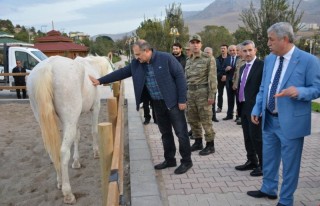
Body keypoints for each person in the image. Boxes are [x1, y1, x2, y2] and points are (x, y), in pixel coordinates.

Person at [89, 40, 193, 174]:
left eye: (138, 54)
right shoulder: (137, 64)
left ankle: (186, 161)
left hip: (173, 103)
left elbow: (180, 77)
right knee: (165, 133)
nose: (136, 57)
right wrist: (100, 80)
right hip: (157, 103)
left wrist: (182, 99)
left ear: (147, 51)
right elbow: (121, 73)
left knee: (181, 133)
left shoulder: (166, 58)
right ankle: (170, 159)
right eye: (135, 54)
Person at [247, 22, 320, 206]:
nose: (268, 43)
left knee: (290, 165)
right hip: (269, 119)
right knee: (269, 158)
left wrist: (299, 92)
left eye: (271, 39)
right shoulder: (270, 59)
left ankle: (286, 200)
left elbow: (317, 88)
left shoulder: (308, 60)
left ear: (284, 39)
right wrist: (257, 108)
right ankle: (268, 189)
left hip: (291, 123)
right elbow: (264, 87)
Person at [235, 40, 264, 177]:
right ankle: (252, 161)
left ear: (255, 50)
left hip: (256, 109)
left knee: (257, 137)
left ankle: (263, 165)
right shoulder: (242, 67)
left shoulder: (262, 66)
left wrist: (259, 109)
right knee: (247, 137)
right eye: (244, 51)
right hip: (244, 107)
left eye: (250, 50)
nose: (247, 53)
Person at [185, 34, 217, 156]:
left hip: (203, 92)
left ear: (201, 44)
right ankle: (198, 142)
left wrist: (211, 95)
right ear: (190, 45)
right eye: (192, 42)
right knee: (192, 119)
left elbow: (212, 78)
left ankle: (210, 145)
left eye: (197, 42)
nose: (195, 45)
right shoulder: (189, 60)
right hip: (191, 93)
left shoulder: (208, 58)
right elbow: (186, 78)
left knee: (206, 119)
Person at [204, 47, 219, 122]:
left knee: (213, 101)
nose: (206, 54)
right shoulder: (202, 61)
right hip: (204, 86)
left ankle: (214, 116)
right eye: (205, 52)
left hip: (213, 85)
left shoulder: (214, 60)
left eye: (208, 52)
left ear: (212, 53)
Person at [233, 44, 246, 125]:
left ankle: (243, 118)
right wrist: (234, 83)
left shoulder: (246, 60)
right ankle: (239, 116)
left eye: (238, 50)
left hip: (244, 86)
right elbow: (235, 73)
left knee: (244, 102)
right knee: (238, 102)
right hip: (238, 85)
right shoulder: (238, 60)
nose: (236, 52)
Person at [216, 44, 229, 113]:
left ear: (227, 49)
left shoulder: (230, 58)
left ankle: (230, 109)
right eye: (221, 48)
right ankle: (219, 107)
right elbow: (217, 69)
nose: (222, 49)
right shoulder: (217, 59)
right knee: (220, 93)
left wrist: (226, 75)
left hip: (228, 78)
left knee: (229, 94)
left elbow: (232, 68)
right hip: (220, 78)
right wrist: (222, 75)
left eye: (224, 48)